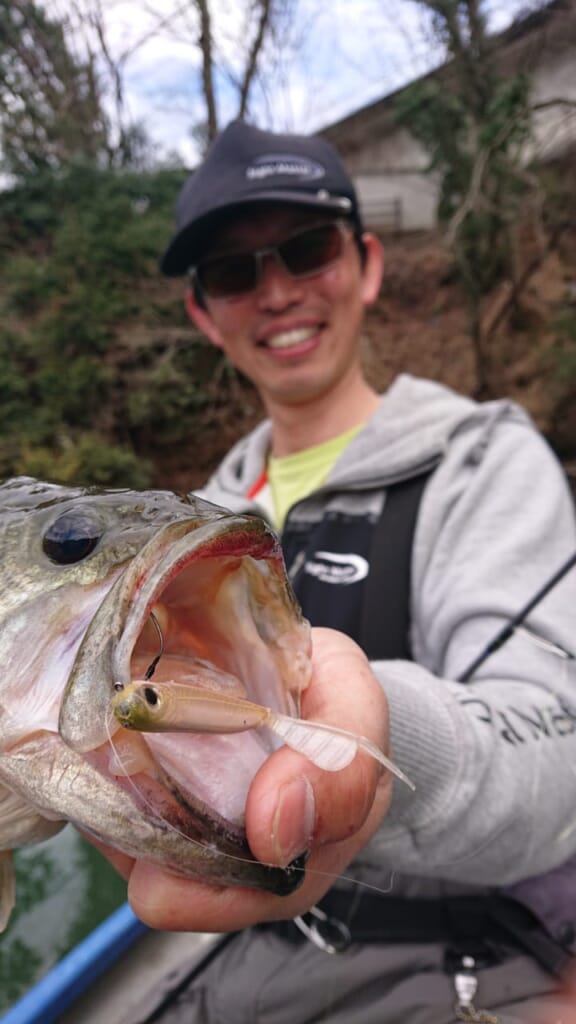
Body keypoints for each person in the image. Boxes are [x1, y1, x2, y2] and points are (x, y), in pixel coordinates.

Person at [101, 120, 576, 1023]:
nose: (276, 292)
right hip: (247, 956)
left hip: (461, 952)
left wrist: (384, 745)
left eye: (305, 249)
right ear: (203, 312)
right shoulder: (180, 525)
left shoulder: (486, 461)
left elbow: (560, 754)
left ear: (366, 264)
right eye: (234, 272)